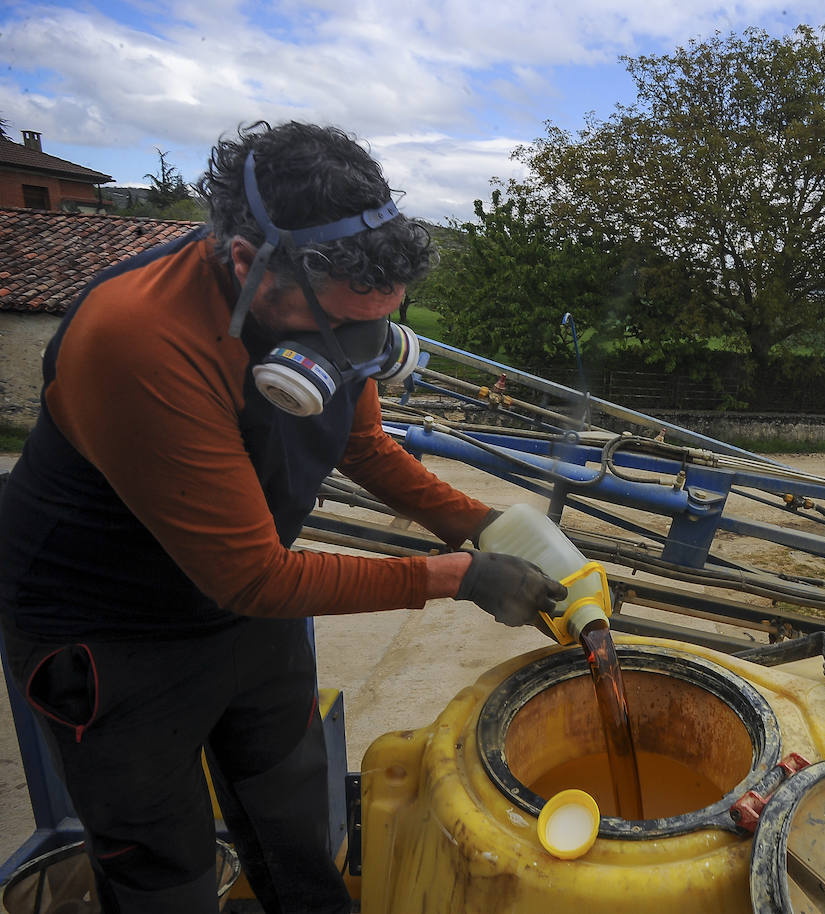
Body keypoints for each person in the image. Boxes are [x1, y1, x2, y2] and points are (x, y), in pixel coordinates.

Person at [0, 121, 566, 913]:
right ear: (247, 262)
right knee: (164, 863)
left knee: (293, 813)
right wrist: (456, 577)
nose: (352, 351)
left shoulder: (333, 316)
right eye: (335, 326)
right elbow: (251, 574)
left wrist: (483, 528)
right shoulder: (140, 339)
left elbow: (364, 447)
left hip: (248, 608)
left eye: (380, 320)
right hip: (108, 630)